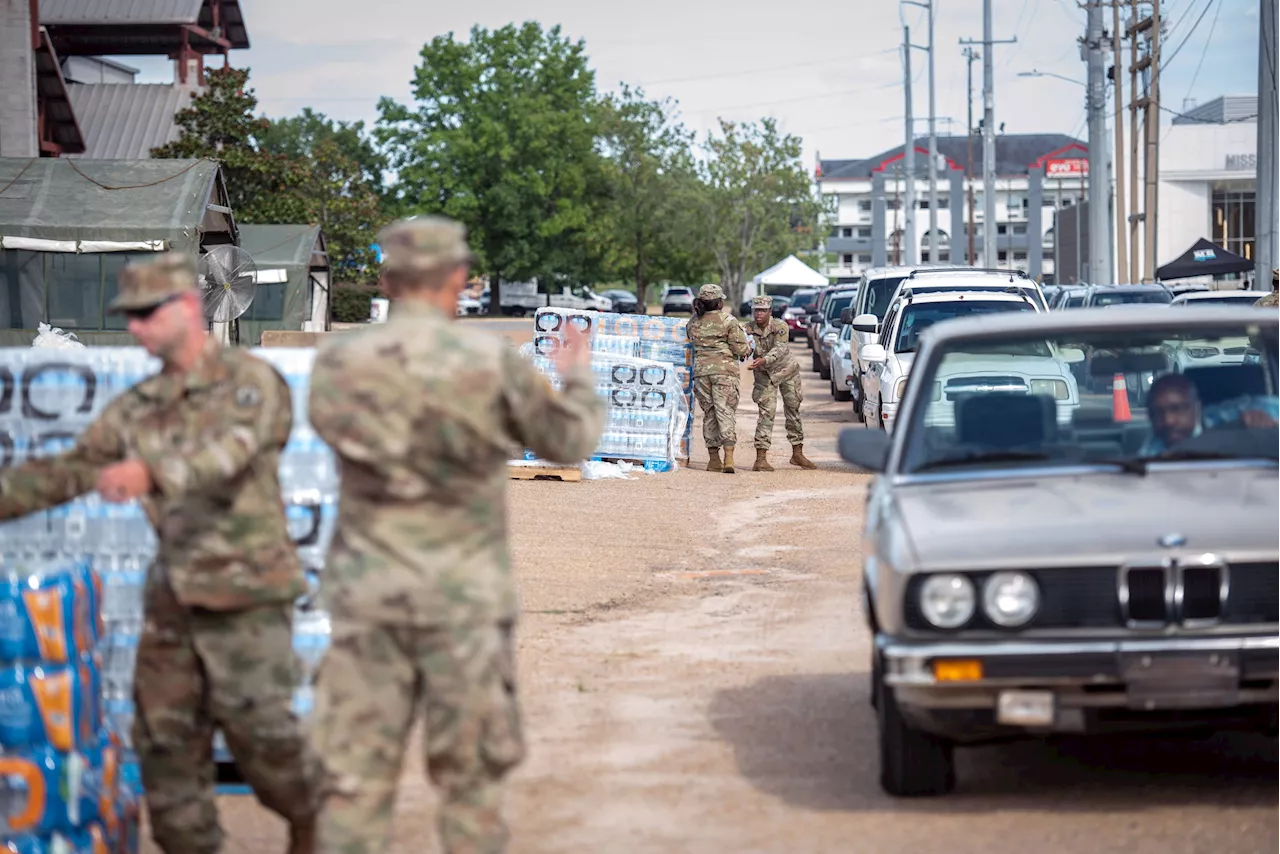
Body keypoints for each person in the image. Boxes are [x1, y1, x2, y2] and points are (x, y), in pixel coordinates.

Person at [0, 253, 319, 854]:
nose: (138, 329)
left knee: (265, 746)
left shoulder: (251, 382)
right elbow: (67, 472)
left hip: (245, 600)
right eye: (131, 317)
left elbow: (230, 454)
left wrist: (152, 471)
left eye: (149, 314)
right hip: (172, 604)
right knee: (166, 754)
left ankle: (318, 822)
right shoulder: (137, 406)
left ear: (188, 308)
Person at [306, 215, 604, 854]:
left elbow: (331, 434)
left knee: (353, 785)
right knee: (470, 787)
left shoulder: (338, 361)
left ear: (386, 279)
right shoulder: (490, 362)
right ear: (461, 279)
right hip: (463, 605)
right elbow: (568, 443)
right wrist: (576, 374)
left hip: (368, 602)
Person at [744, 295, 816, 471]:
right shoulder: (747, 329)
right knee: (766, 413)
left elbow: (781, 348)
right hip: (764, 375)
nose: (758, 314)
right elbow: (741, 346)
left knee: (793, 408)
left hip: (786, 371)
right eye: (756, 310)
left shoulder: (780, 326)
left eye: (762, 310)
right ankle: (760, 458)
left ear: (770, 311)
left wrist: (764, 359)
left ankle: (797, 453)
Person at [687, 284, 751, 473]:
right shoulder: (728, 321)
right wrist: (749, 349)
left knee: (710, 413)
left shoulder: (693, 322)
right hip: (725, 372)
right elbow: (741, 349)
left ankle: (713, 459)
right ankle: (729, 457)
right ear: (719, 302)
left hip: (701, 374)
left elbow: (691, 341)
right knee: (725, 412)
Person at [1141, 372, 1280, 456]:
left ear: (1197, 407)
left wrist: (1260, 419)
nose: (1168, 421)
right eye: (1157, 413)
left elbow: (1271, 406)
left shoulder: (1227, 416)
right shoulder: (1153, 448)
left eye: (1177, 408)